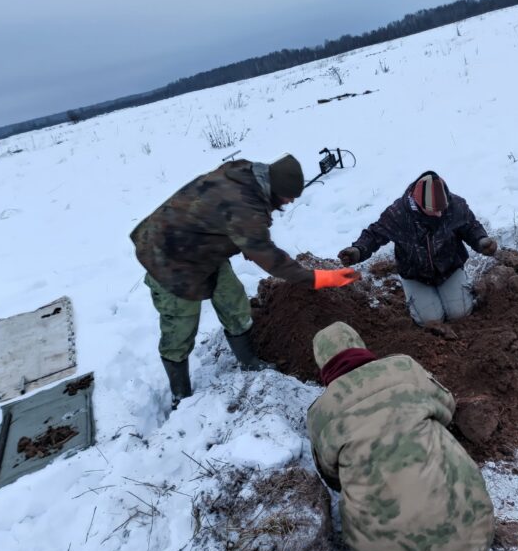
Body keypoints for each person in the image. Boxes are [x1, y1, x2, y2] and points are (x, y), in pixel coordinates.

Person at [130, 154, 360, 408]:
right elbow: (271, 259)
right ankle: (180, 393)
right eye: (288, 196)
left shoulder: (245, 172)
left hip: (203, 248)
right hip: (168, 258)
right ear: (274, 189)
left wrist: (244, 242)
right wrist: (320, 278)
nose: (291, 201)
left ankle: (248, 360)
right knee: (181, 326)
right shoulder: (244, 206)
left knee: (234, 301)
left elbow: (220, 214)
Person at [307, 321, 494, 551]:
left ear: (322, 364)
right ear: (360, 345)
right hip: (474, 533)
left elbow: (332, 477)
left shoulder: (318, 414)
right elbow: (447, 406)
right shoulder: (403, 366)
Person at [337, 171, 497, 327]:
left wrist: (481, 241)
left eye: (442, 209)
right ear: (419, 204)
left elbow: (470, 227)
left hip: (449, 269)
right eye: (434, 210)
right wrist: (358, 250)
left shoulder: (455, 206)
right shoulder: (398, 214)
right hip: (415, 275)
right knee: (431, 321)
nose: (439, 214)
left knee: (460, 314)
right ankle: (419, 301)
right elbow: (375, 234)